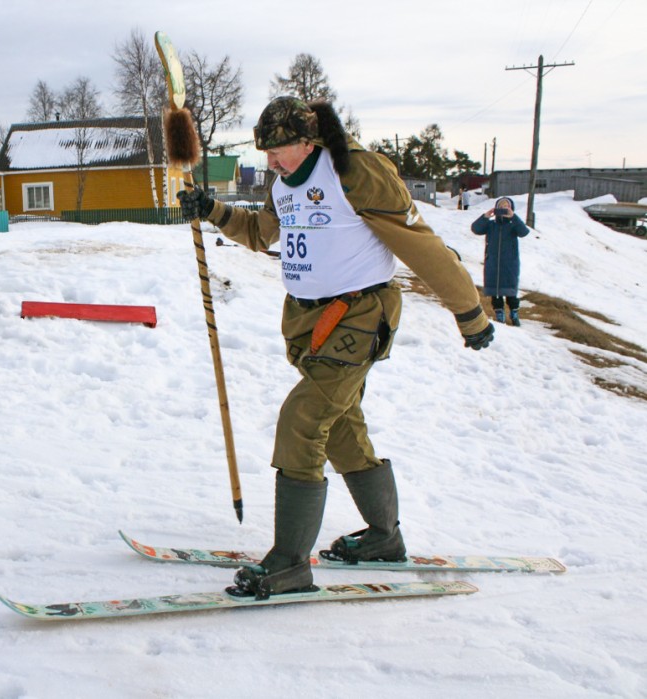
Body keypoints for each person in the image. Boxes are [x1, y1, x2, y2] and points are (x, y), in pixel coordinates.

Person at [177, 97, 495, 600]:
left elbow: (420, 243)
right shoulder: (282, 184)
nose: (272, 162)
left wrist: (468, 311)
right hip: (308, 321)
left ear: (309, 139)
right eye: (267, 153)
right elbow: (264, 235)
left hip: (360, 314)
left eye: (279, 150)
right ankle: (384, 538)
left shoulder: (354, 171)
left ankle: (288, 565)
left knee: (303, 420)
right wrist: (213, 211)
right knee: (342, 428)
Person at [471, 196, 530, 326]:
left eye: (506, 206)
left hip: (510, 263)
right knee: (495, 290)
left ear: (511, 208)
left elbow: (524, 232)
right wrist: (486, 216)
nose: (503, 209)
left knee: (510, 290)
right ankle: (499, 314)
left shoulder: (513, 225)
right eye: (501, 206)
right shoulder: (491, 225)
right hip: (493, 263)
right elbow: (475, 229)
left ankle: (514, 313)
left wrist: (513, 217)